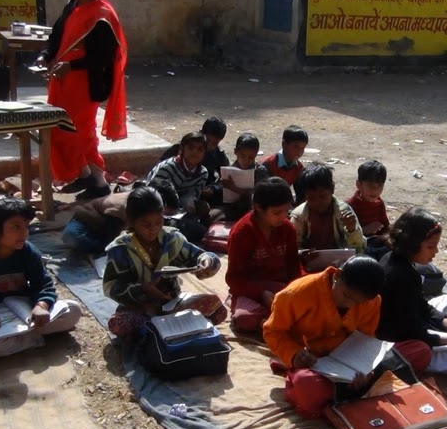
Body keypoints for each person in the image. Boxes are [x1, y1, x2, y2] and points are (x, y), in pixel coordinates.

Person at [262, 256, 432, 419]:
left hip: (352, 365)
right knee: (305, 384)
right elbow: (273, 332)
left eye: (358, 303)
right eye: (346, 295)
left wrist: (366, 370)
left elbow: (366, 339)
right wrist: (294, 354)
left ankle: (354, 389)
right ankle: (360, 389)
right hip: (314, 363)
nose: (350, 304)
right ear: (337, 276)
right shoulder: (296, 294)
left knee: (420, 350)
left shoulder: (372, 301)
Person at [35, 0, 127, 201]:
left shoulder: (102, 15)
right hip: (62, 81)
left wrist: (71, 66)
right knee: (61, 128)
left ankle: (88, 176)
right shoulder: (72, 6)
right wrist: (45, 56)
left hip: (85, 84)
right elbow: (56, 37)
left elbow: (104, 57)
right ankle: (95, 181)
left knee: (76, 132)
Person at [0, 198, 82, 357]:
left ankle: (19, 338)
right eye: (15, 227)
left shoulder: (28, 251)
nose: (24, 233)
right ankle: (33, 337)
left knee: (73, 310)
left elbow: (43, 283)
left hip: (24, 308)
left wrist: (41, 305)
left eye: (26, 226)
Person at [103, 185, 225, 339]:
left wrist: (206, 261)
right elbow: (111, 287)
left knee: (217, 309)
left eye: (158, 221)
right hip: (139, 308)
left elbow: (199, 256)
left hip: (172, 304)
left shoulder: (171, 239)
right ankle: (164, 329)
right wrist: (143, 289)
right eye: (146, 224)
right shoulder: (121, 248)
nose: (153, 229)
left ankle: (159, 330)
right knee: (119, 324)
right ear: (132, 222)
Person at [378, 208, 447, 348]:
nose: (436, 251)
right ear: (412, 244)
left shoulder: (392, 258)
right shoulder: (404, 276)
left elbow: (420, 304)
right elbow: (412, 333)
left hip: (410, 327)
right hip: (398, 343)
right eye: (430, 247)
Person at [226, 177, 300, 332]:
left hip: (280, 286)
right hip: (250, 289)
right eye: (277, 212)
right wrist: (261, 293)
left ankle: (271, 323)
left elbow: (294, 267)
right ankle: (274, 322)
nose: (284, 217)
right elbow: (233, 279)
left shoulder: (287, 229)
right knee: (244, 319)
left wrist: (298, 288)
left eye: (286, 211)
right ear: (259, 207)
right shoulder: (242, 233)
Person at [147, 131, 210, 243]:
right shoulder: (168, 168)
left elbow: (192, 196)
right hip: (158, 211)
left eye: (200, 149)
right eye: (191, 147)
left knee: (202, 230)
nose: (195, 152)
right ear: (182, 148)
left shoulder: (203, 173)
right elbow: (152, 195)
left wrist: (193, 205)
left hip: (180, 212)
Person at [290, 163, 364, 258]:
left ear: (332, 189)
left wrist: (352, 229)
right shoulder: (299, 217)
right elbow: (292, 246)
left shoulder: (343, 212)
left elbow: (358, 246)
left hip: (340, 260)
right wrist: (302, 253)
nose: (317, 202)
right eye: (311, 197)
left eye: (322, 196)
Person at [210, 132, 270, 222]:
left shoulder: (259, 171)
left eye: (251, 157)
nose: (246, 160)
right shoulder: (229, 170)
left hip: (251, 209)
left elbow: (258, 196)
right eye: (243, 156)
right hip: (231, 207)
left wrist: (233, 188)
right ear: (235, 151)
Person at [346, 160, 391, 260]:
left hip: (376, 245)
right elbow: (344, 235)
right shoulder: (349, 206)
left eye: (379, 185)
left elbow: (386, 228)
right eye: (370, 185)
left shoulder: (379, 204)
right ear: (359, 185)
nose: (375, 190)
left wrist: (384, 237)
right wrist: (363, 230)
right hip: (359, 247)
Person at [261, 125, 307, 202]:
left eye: (302, 148)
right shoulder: (268, 164)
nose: (299, 152)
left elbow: (301, 195)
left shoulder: (299, 168)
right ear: (284, 144)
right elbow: (262, 194)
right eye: (296, 146)